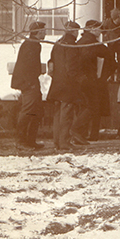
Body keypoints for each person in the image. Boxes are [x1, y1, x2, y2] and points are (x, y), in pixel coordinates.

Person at [11, 21, 46, 149]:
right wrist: (30, 84)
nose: (46, 33)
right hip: (29, 84)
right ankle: (21, 142)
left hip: (31, 82)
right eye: (44, 30)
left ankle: (30, 141)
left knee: (36, 111)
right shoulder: (32, 45)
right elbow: (28, 67)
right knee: (28, 111)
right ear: (39, 32)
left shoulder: (32, 44)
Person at [46, 20, 80, 149]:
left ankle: (57, 142)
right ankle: (64, 143)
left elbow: (52, 61)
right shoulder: (71, 45)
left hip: (57, 84)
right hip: (68, 84)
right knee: (66, 114)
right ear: (74, 31)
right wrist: (76, 80)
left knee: (58, 114)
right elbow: (71, 66)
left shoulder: (58, 43)